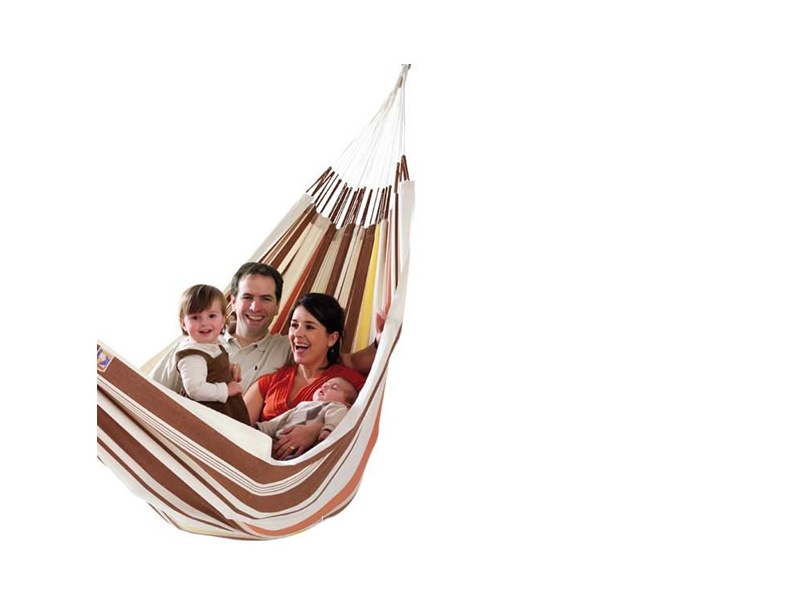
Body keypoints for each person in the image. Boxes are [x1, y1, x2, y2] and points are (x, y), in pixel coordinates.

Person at [150, 262, 382, 395]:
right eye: (248, 297)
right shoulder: (193, 343)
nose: (255, 307)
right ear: (233, 302)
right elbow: (148, 392)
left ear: (278, 306)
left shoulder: (289, 347)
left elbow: (349, 362)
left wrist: (382, 341)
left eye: (266, 299)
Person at [243, 292, 367, 460]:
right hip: (262, 465)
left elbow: (364, 425)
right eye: (294, 325)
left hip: (317, 469)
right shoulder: (270, 382)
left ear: (332, 338)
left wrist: (315, 431)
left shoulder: (349, 381)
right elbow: (236, 428)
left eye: (309, 327)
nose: (298, 333)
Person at [172, 284, 249, 424]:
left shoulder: (212, 344)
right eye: (195, 317)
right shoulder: (192, 355)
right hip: (208, 417)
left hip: (225, 411)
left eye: (212, 316)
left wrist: (229, 367)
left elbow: (211, 366)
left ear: (223, 319)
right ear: (183, 323)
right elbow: (195, 389)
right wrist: (226, 390)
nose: (204, 323)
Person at [256, 376, 360, 459]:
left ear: (347, 405)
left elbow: (336, 417)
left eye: (334, 387)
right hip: (275, 442)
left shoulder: (336, 406)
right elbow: (279, 421)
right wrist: (260, 428)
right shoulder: (302, 405)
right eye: (324, 385)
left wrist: (328, 430)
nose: (325, 386)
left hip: (300, 452)